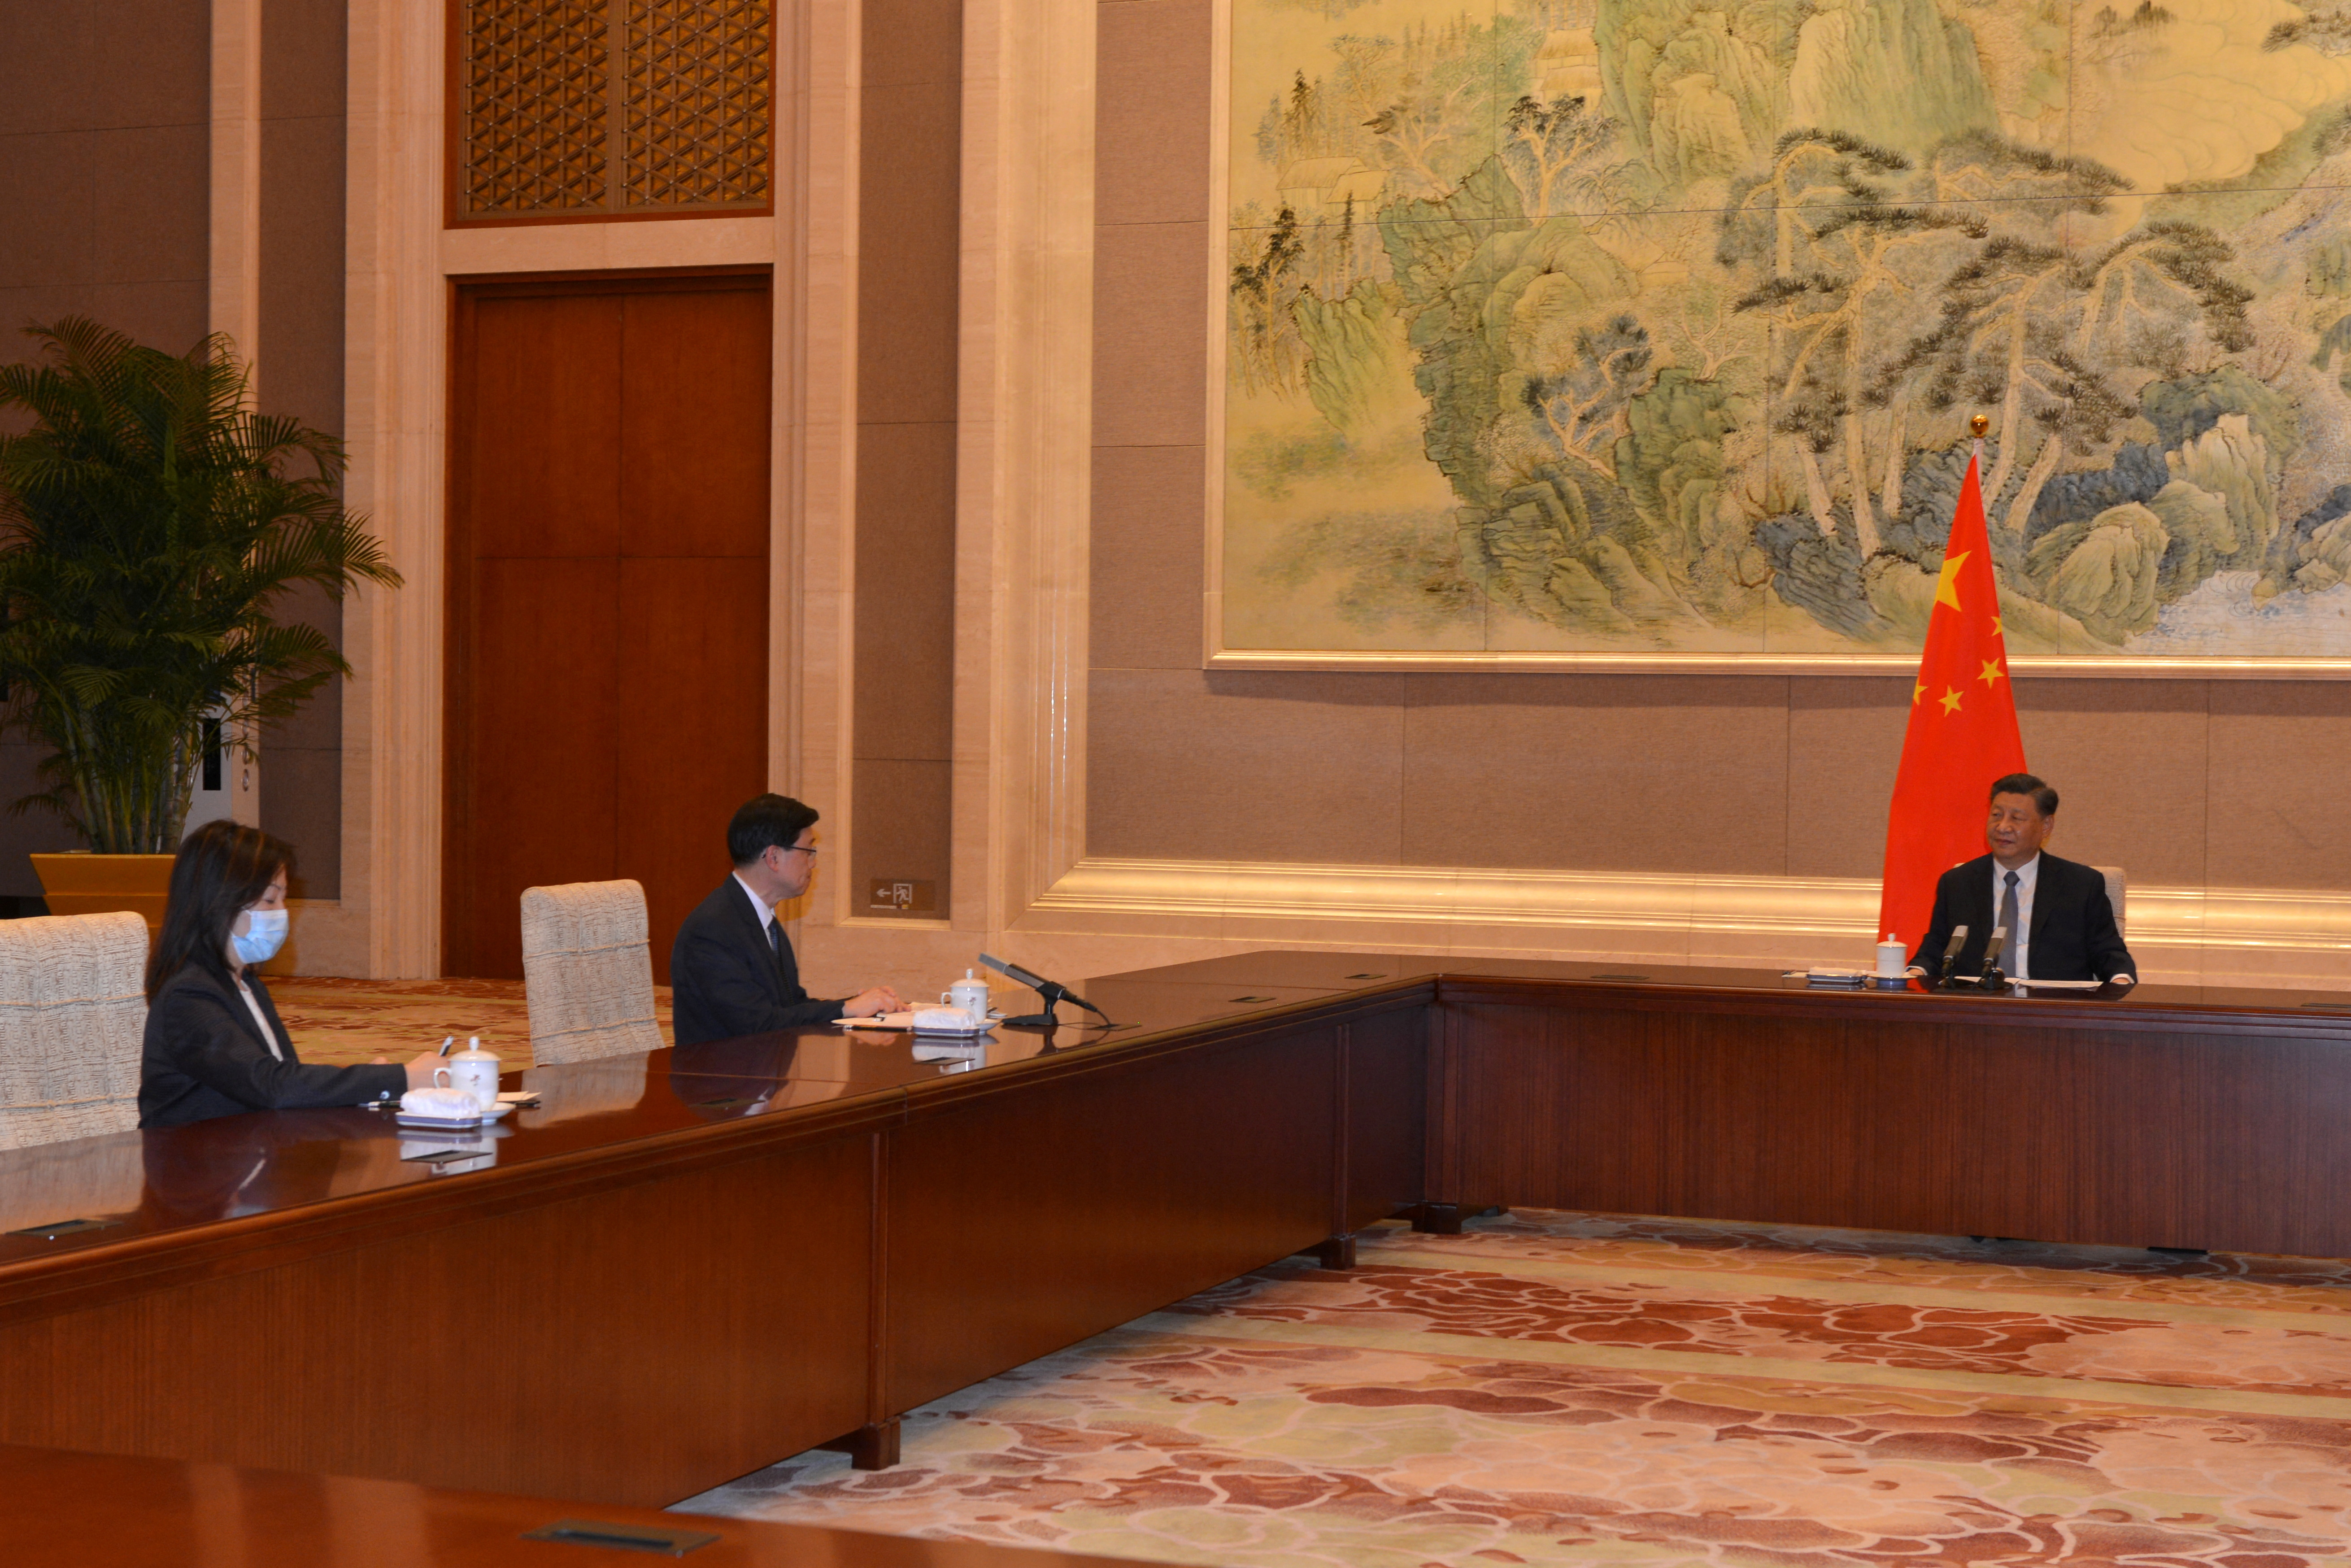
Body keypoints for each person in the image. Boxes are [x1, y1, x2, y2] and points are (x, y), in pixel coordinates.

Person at [139, 822, 443, 1128]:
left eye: (284, 898)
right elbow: (272, 1086)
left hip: (244, 1153)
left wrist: (368, 1080)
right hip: (192, 1166)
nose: (282, 912)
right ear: (220, 902)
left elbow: (286, 1080)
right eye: (270, 900)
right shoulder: (188, 996)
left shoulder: (247, 986)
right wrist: (400, 1078)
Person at [669, 794, 902, 1045]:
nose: (813, 863)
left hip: (761, 1074)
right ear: (774, 858)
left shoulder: (762, 921)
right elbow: (757, 1024)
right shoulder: (713, 929)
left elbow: (793, 1006)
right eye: (808, 851)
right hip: (722, 1079)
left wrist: (859, 1006)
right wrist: (847, 1009)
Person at [1910, 773, 2136, 986]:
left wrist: (2121, 982)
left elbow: (2108, 952)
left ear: (2046, 826)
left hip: (2054, 1012)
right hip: (1976, 1010)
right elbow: (1934, 951)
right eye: (1996, 815)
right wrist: (1911, 976)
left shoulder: (2081, 885)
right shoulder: (1958, 883)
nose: (2003, 827)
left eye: (2017, 818)